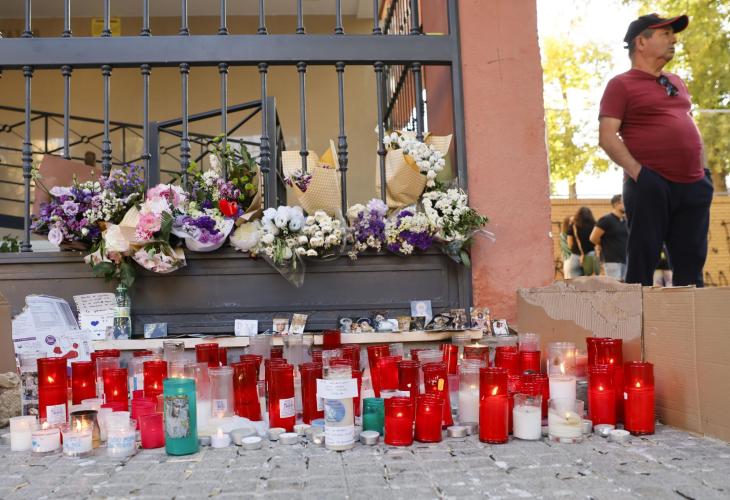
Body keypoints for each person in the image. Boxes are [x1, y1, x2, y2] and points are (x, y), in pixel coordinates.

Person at [598, 13, 713, 287]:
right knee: (642, 264)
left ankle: (687, 317)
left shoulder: (676, 82)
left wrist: (705, 173)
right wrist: (641, 175)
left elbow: (690, 126)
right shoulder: (620, 85)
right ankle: (636, 318)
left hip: (693, 185)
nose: (674, 40)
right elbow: (607, 137)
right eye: (666, 34)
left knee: (691, 268)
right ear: (641, 42)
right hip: (650, 184)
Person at [590, 194, 628, 280]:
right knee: (614, 286)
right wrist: (602, 244)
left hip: (625, 260)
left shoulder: (625, 221)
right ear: (616, 204)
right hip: (611, 261)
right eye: (624, 202)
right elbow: (593, 238)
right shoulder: (606, 220)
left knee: (624, 286)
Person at [566, 207, 598, 277]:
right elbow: (597, 241)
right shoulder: (595, 225)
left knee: (575, 281)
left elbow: (569, 243)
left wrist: (575, 250)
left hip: (575, 255)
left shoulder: (573, 225)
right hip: (590, 256)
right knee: (590, 280)